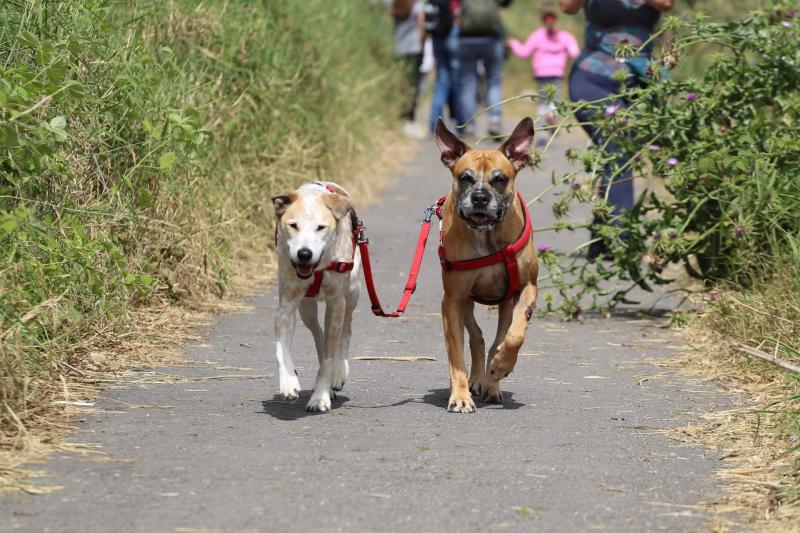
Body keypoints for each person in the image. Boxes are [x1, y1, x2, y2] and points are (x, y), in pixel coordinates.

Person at [559, 0, 672, 258]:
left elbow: (666, 4)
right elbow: (566, 6)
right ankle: (621, 239)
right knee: (617, 149)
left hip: (640, 80)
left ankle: (602, 239)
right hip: (592, 77)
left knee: (617, 157)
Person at [507, 6, 579, 147]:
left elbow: (523, 53)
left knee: (542, 102)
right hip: (557, 73)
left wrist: (512, 43)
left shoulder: (537, 35)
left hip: (541, 74)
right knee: (554, 101)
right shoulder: (564, 37)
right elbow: (575, 52)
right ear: (555, 19)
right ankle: (551, 117)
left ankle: (542, 135)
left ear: (542, 20)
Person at [457, 0, 513, 138]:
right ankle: (495, 120)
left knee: (468, 83)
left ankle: (469, 126)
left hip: (467, 39)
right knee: (494, 81)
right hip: (491, 39)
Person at [424, 0, 463, 135]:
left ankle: (434, 124)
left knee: (441, 81)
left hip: (437, 35)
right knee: (457, 83)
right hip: (453, 32)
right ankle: (461, 124)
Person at [392, 0, 427, 139]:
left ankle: (402, 119)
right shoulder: (417, 3)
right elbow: (421, 23)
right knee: (413, 85)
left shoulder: (395, 3)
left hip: (398, 48)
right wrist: (424, 42)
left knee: (403, 84)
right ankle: (410, 120)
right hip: (414, 47)